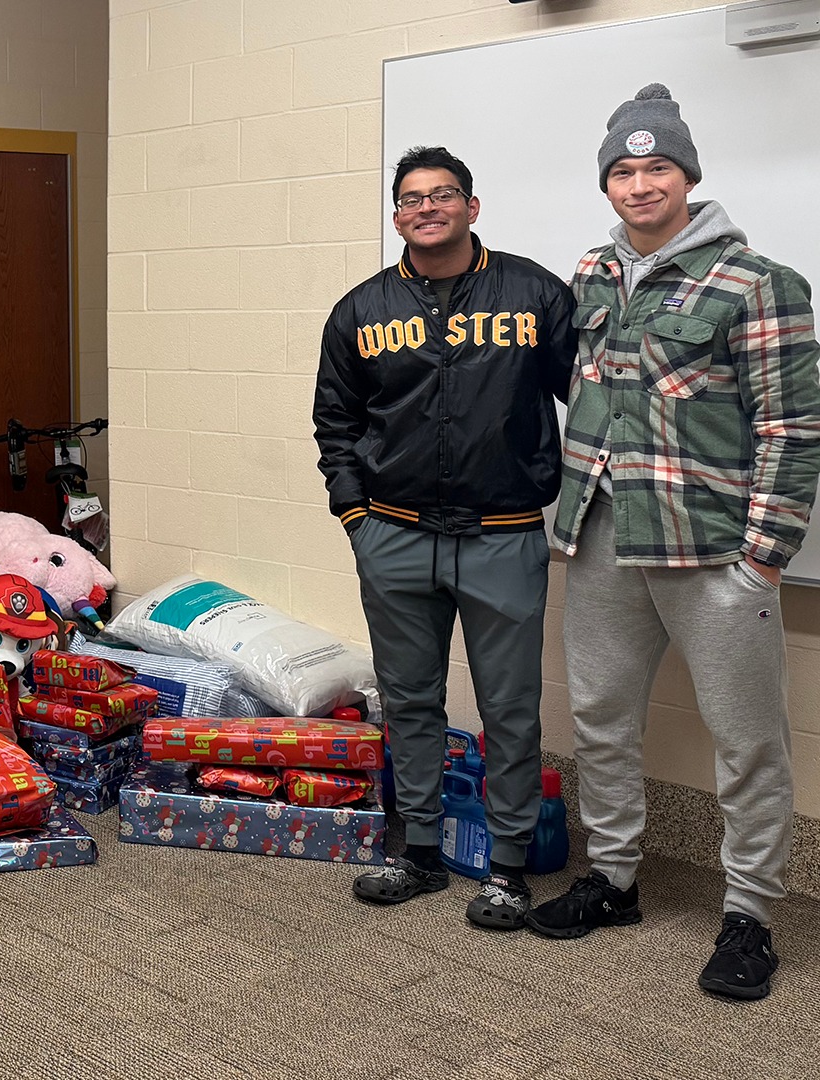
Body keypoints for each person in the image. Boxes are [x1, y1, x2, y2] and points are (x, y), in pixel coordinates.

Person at [525, 85, 820, 1002]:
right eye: (623, 169)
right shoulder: (592, 275)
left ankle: (749, 916)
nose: (640, 183)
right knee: (603, 720)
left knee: (748, 741)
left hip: (714, 550)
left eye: (657, 167)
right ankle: (612, 881)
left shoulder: (758, 282)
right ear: (607, 186)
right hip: (603, 531)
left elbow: (793, 427)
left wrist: (765, 552)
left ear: (688, 177)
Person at [313, 146, 576, 931]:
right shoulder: (360, 311)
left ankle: (506, 870)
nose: (428, 208)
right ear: (397, 215)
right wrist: (357, 519)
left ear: (472, 207)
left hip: (504, 537)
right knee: (411, 700)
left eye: (444, 195)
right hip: (393, 537)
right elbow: (336, 426)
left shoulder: (534, 293)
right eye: (412, 199)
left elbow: (591, 402)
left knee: (512, 708)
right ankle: (418, 853)